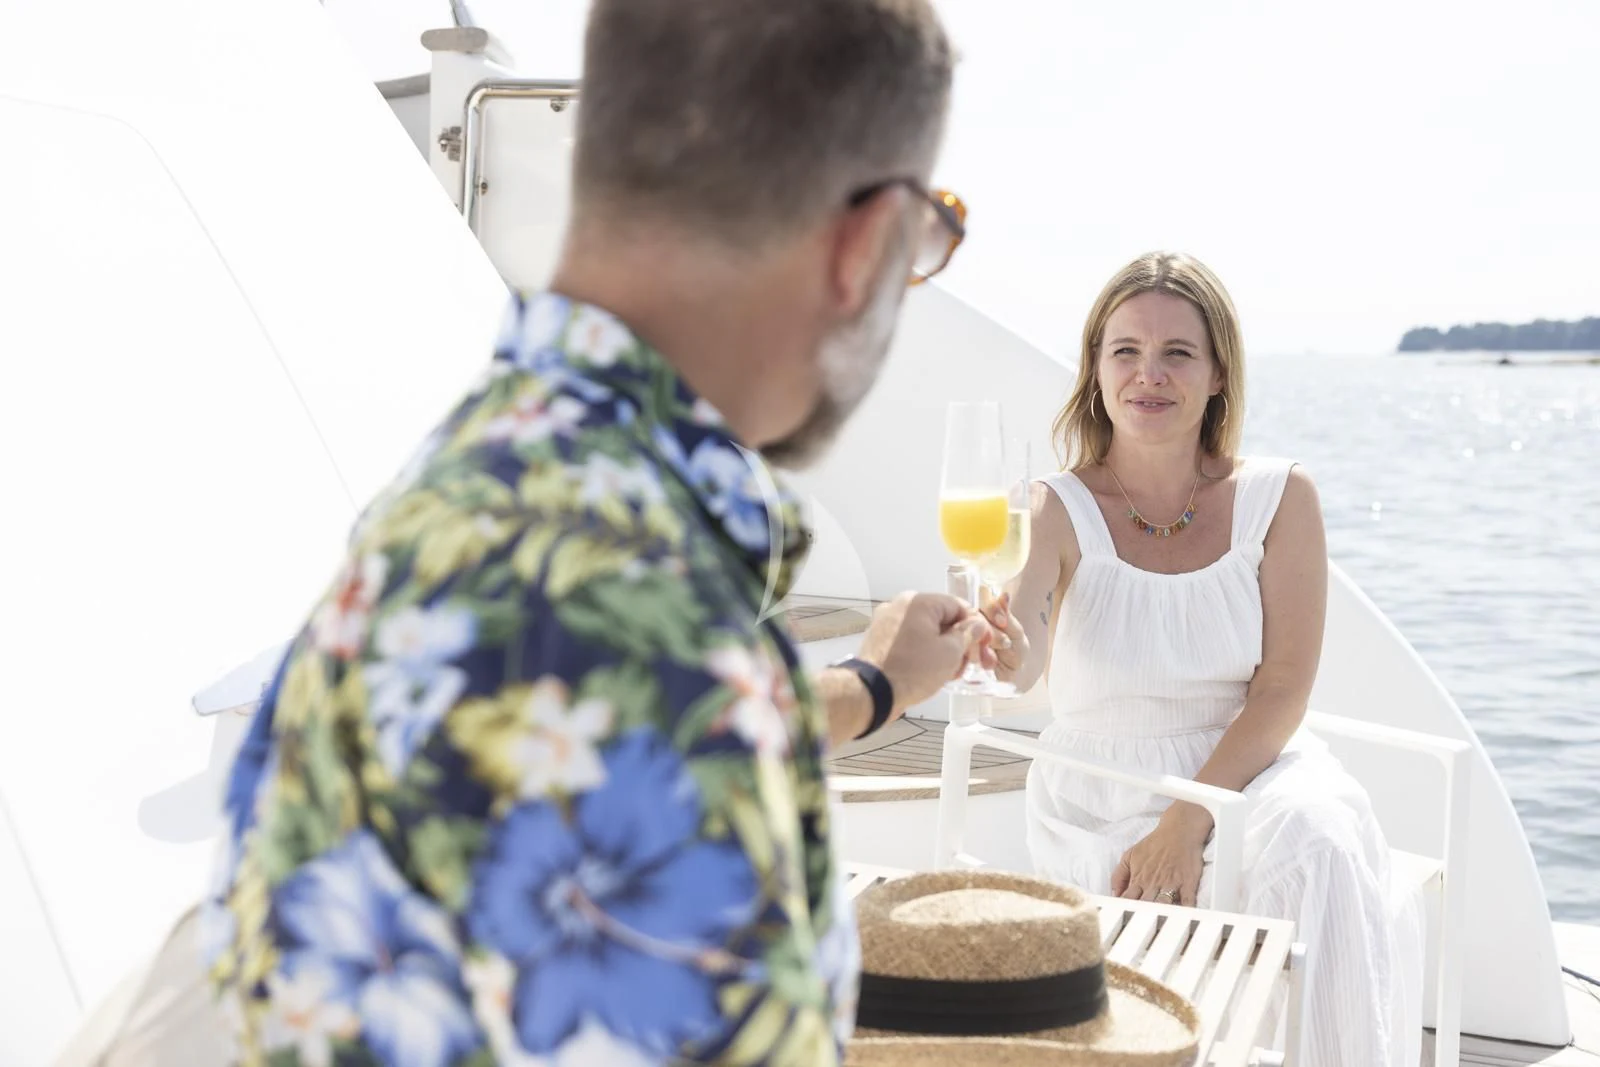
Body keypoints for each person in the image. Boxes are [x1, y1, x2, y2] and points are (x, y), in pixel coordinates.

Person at [198, 2, 985, 1065]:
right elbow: (652, 715)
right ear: (867, 243)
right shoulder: (651, 635)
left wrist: (878, 681)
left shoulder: (453, 497)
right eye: (925, 240)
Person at [981, 251, 1424, 1066]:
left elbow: (1284, 687)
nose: (1149, 374)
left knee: (1317, 838)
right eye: (1126, 351)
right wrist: (996, 644)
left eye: (1177, 352)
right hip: (1104, 790)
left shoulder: (1280, 497)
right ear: (1096, 368)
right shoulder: (1053, 507)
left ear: (1218, 373)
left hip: (1247, 767)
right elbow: (1020, 663)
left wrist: (1190, 819)